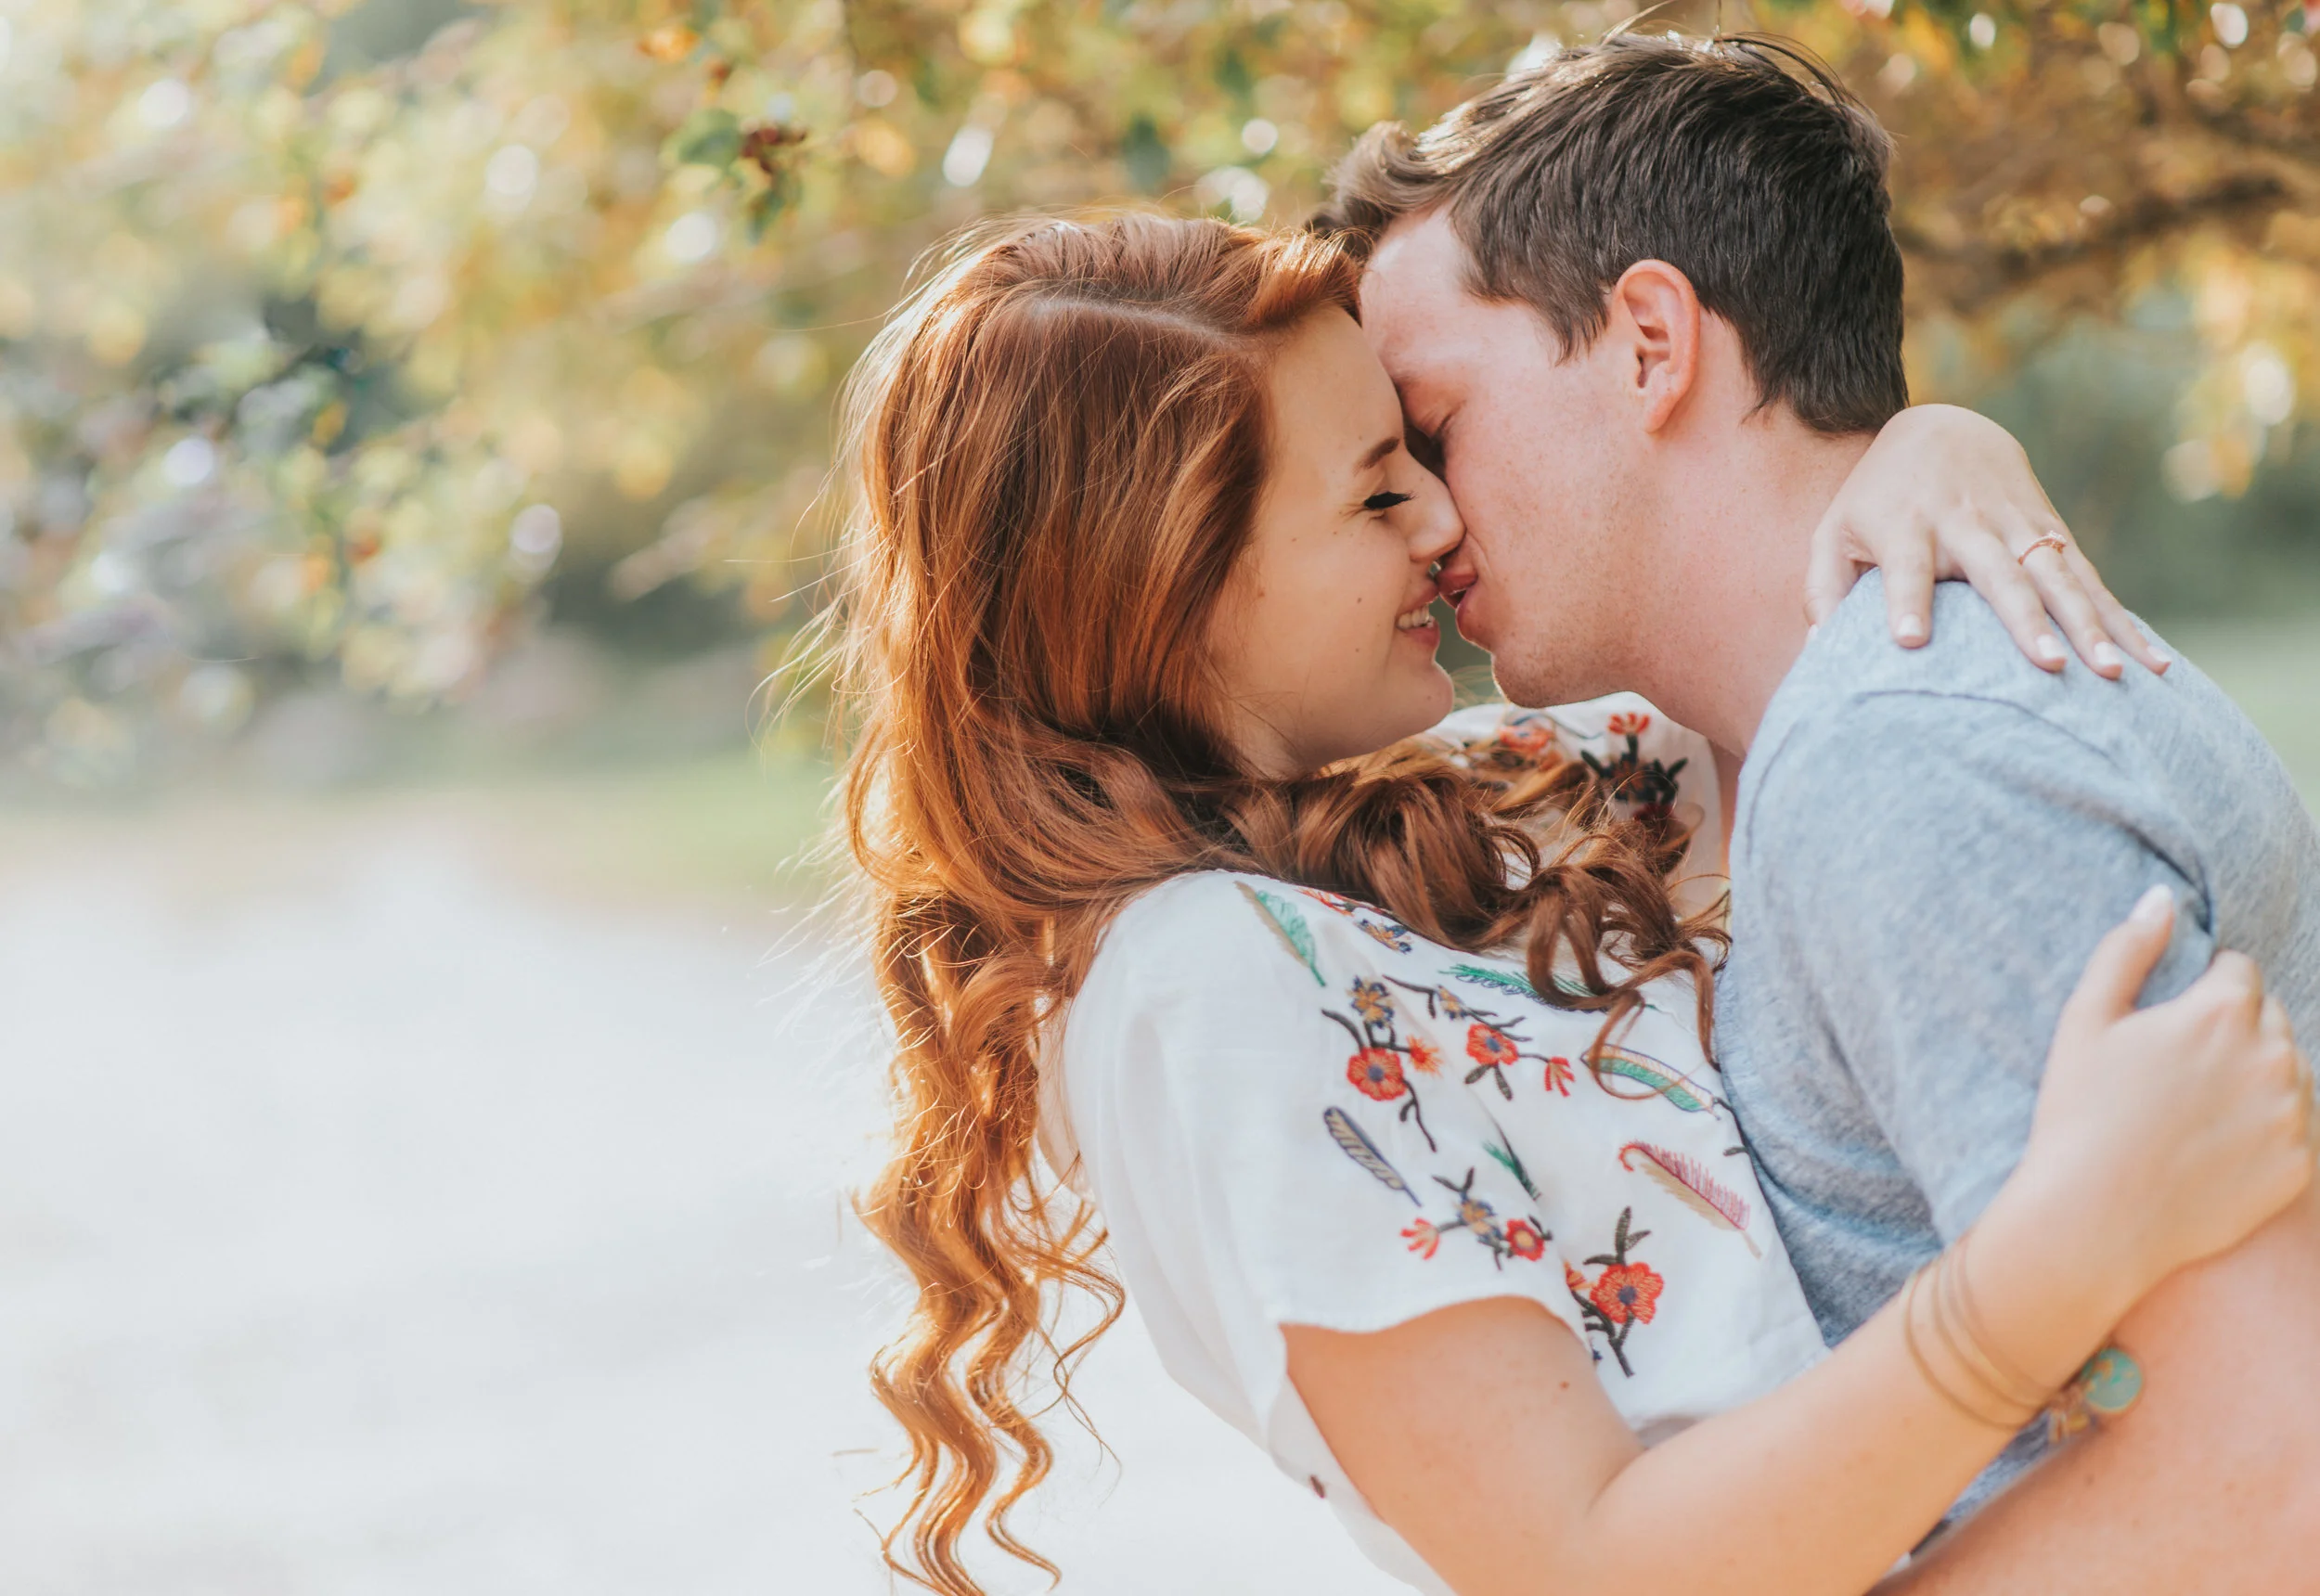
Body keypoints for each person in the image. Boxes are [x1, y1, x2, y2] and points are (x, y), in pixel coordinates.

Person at [832, 212, 2313, 1596]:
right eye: (1373, 488)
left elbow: (1763, 638)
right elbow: (1588, 1562)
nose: (1438, 520)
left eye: (1424, 450)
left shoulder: (1485, 804)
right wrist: (2050, 1263)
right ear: (1169, 585)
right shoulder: (1193, 994)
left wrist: (1932, 448)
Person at [1322, 31, 2320, 1591]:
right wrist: (1945, 433)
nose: (1428, 514)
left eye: (1434, 425)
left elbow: (2271, 1469)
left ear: (1652, 341)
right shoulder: (1782, 735)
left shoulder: (1900, 759)